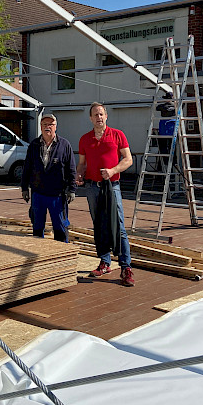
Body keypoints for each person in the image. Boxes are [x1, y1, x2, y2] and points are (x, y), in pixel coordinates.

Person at [76, 102, 135, 287]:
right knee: (99, 224)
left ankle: (126, 267)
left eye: (101, 114)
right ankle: (105, 262)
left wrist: (113, 170)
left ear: (106, 116)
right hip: (92, 188)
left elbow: (128, 159)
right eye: (95, 115)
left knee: (119, 226)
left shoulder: (118, 135)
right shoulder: (85, 139)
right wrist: (79, 174)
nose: (99, 117)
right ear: (90, 118)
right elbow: (82, 164)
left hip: (112, 186)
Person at [21, 113, 76, 242]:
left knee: (60, 228)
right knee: (37, 228)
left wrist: (72, 190)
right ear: (40, 127)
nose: (48, 127)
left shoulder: (64, 145)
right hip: (38, 194)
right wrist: (24, 188)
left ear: (56, 126)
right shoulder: (34, 145)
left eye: (51, 124)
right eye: (45, 124)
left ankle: (62, 255)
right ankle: (39, 255)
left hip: (57, 195)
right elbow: (27, 168)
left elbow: (71, 169)